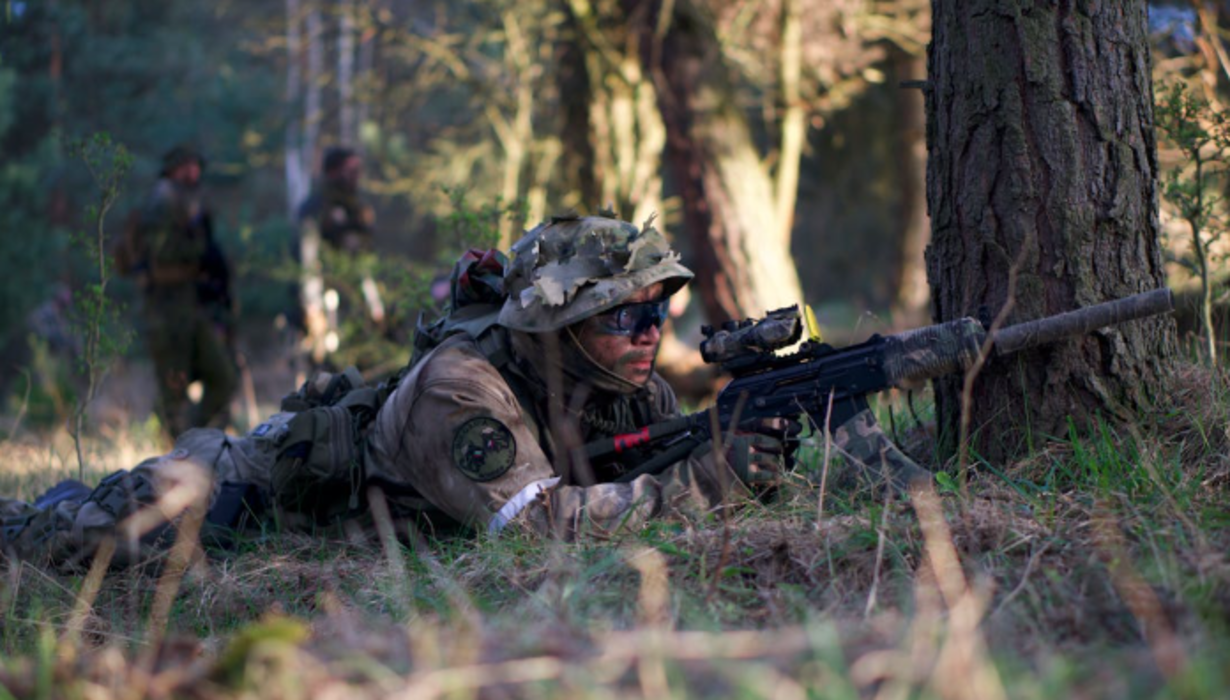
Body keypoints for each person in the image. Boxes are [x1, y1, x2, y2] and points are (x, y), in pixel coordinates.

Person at [0, 213, 928, 567]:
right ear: (556, 329)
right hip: (249, 487)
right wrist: (705, 484)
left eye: (659, 313)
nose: (652, 338)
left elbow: (625, 464)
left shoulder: (609, 379)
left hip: (367, 512)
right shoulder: (462, 386)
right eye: (624, 318)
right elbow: (534, 532)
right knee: (70, 538)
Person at [130, 145, 237, 437]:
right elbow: (160, 252)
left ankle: (200, 440)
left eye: (196, 166)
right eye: (187, 166)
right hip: (166, 312)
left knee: (222, 376)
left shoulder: (187, 199)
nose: (194, 172)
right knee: (174, 388)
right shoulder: (163, 199)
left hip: (191, 307)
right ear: (173, 168)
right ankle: (177, 450)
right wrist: (197, 249)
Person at [295, 146, 383, 368]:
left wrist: (374, 302)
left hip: (357, 301)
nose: (355, 175)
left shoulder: (359, 210)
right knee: (329, 366)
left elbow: (365, 261)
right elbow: (308, 257)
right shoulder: (315, 208)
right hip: (328, 300)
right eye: (349, 169)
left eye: (357, 169)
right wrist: (312, 306)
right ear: (333, 172)